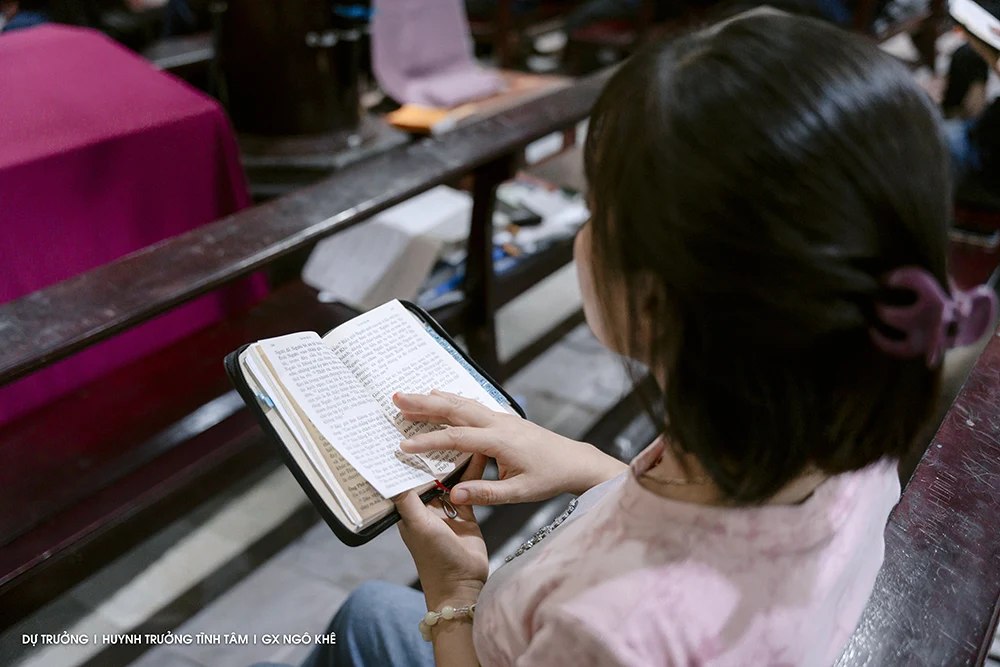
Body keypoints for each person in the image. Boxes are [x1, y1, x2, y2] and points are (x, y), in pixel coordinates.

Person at [256, 12, 998, 667]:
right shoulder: (840, 413)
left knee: (364, 617)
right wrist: (584, 466)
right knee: (365, 614)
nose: (585, 232)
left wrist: (454, 593)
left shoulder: (614, 631)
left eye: (597, 210)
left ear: (654, 301)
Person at [942, 29, 1000, 190]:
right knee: (967, 54)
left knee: (935, 140)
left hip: (986, 154)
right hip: (984, 127)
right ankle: (959, 115)